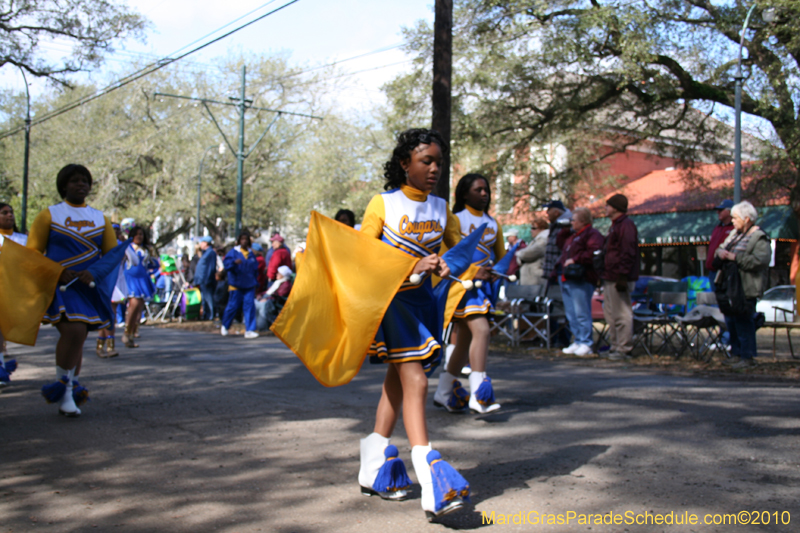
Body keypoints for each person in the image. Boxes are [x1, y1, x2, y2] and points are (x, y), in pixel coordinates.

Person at [359, 128, 469, 519]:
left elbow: (456, 255)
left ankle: (375, 463)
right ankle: (431, 473)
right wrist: (411, 264)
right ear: (405, 163)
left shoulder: (442, 209)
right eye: (427, 161)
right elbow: (363, 257)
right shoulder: (382, 204)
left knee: (397, 381)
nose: (435, 168)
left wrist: (456, 265)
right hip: (392, 302)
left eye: (439, 161)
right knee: (418, 380)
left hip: (425, 303)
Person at [27, 164, 118, 417]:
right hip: (59, 286)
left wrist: (95, 273)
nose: (82, 185)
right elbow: (32, 253)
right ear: (63, 185)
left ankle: (69, 388)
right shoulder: (49, 215)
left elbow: (111, 256)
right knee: (75, 330)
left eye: (86, 181)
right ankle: (65, 391)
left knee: (79, 337)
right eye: (76, 181)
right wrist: (56, 271)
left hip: (87, 287)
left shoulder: (101, 218)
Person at [433, 173, 503, 415]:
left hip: (483, 287)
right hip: (461, 285)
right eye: (478, 189)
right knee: (482, 330)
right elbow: (449, 254)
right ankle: (479, 393)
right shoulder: (456, 219)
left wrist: (494, 272)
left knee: (463, 339)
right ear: (464, 193)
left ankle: (444, 392)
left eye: (486, 190)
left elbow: (500, 256)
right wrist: (474, 271)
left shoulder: (493, 223)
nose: (484, 194)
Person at [714, 201, 770, 368]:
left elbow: (760, 261)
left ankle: (747, 356)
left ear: (746, 219)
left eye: (735, 218)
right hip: (729, 284)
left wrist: (735, 258)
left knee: (744, 321)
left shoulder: (759, 237)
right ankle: (736, 353)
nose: (732, 221)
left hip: (745, 286)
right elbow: (720, 248)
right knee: (731, 320)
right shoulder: (734, 234)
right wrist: (721, 253)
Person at [557, 207, 604, 357]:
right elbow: (560, 244)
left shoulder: (592, 234)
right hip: (568, 278)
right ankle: (577, 340)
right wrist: (564, 230)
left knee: (581, 312)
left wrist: (576, 259)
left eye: (573, 220)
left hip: (581, 278)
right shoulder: (573, 235)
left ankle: (586, 342)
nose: (571, 222)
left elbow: (595, 253)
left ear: (583, 221)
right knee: (571, 313)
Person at [601, 194, 640, 360]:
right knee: (611, 314)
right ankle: (615, 345)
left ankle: (624, 347)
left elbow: (628, 251)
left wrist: (623, 275)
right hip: (611, 275)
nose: (606, 208)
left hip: (619, 276)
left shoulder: (626, 226)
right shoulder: (615, 226)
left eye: (608, 205)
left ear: (615, 207)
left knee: (622, 313)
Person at [0, 203, 27, 386]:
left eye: (11, 212)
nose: (10, 215)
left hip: (16, 290)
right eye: (4, 213)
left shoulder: (24, 239)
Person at [95, 223, 126, 358]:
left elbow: (134, 261)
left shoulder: (120, 245)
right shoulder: (98, 245)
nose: (114, 233)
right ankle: (104, 346)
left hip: (116, 284)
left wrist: (125, 245)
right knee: (107, 315)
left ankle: (106, 346)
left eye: (117, 231)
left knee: (110, 315)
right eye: (112, 231)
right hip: (103, 283)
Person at [122, 226, 157, 348]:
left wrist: (152, 270)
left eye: (141, 234)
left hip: (143, 279)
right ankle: (126, 333)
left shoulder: (147, 249)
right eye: (136, 234)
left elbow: (154, 263)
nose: (139, 236)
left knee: (139, 308)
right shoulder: (127, 247)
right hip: (130, 278)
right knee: (134, 304)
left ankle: (132, 334)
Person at [221, 230, 259, 338]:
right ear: (238, 241)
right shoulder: (233, 252)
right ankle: (225, 325)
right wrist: (233, 263)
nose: (244, 241)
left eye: (246, 239)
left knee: (249, 306)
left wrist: (256, 282)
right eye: (242, 239)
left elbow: (255, 269)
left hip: (249, 284)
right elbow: (226, 265)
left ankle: (250, 329)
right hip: (236, 284)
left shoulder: (251, 254)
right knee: (233, 306)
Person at [515, 217, 550, 286]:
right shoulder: (537, 240)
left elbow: (529, 254)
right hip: (531, 278)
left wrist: (519, 254)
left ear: (542, 229)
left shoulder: (543, 239)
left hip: (535, 278)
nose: (531, 230)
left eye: (534, 228)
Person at [194, 236, 217, 321]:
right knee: (204, 299)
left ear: (206, 243)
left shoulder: (211, 253)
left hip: (206, 280)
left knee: (209, 298)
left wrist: (208, 279)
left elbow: (211, 267)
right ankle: (206, 315)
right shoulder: (205, 253)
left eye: (202, 242)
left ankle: (211, 314)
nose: (200, 244)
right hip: (202, 280)